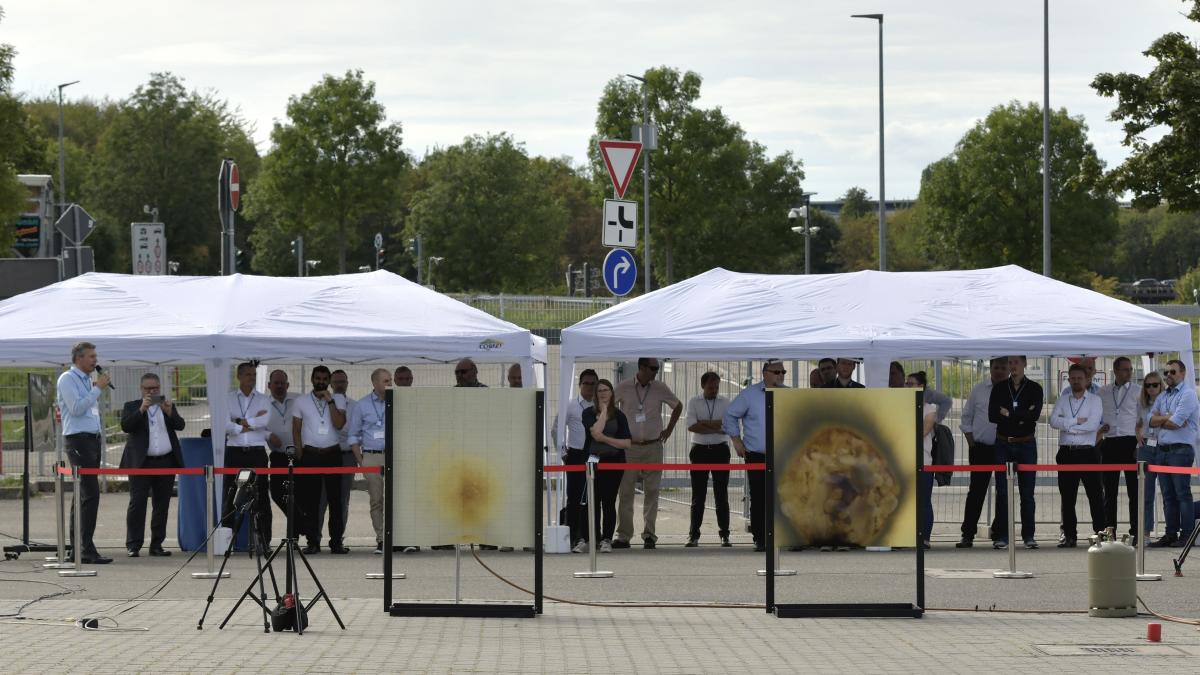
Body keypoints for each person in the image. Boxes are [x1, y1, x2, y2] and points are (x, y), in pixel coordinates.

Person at [613, 357, 683, 549]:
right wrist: (616, 431)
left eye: (657, 368)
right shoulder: (624, 386)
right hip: (630, 447)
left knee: (652, 491)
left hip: (653, 446)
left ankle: (649, 534)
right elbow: (608, 406)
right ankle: (624, 536)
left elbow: (678, 405)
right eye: (653, 368)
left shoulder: (660, 387)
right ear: (642, 368)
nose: (656, 371)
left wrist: (669, 429)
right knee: (626, 491)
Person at [56, 341, 113, 564]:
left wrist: (94, 387)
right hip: (78, 440)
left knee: (82, 495)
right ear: (78, 358)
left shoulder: (87, 380)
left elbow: (89, 409)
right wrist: (97, 388)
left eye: (95, 356)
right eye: (91, 356)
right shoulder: (67, 379)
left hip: (91, 440)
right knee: (90, 494)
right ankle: (86, 549)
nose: (95, 360)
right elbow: (76, 408)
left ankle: (77, 548)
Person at [724, 360, 788, 552]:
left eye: (783, 372)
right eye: (776, 372)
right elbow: (730, 415)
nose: (781, 375)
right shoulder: (750, 394)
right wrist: (736, 440)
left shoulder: (788, 394)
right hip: (757, 455)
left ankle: (783, 536)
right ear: (765, 373)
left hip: (783, 454)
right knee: (759, 497)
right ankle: (761, 538)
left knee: (784, 496)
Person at [118, 373, 185, 557]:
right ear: (141, 389)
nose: (152, 391)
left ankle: (157, 544)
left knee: (161, 505)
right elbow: (126, 426)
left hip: (165, 461)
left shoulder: (167, 405)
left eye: (155, 388)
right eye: (148, 388)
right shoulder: (131, 406)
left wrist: (169, 412)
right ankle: (133, 544)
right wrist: (141, 409)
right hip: (141, 463)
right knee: (137, 503)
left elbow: (180, 425)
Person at [988, 355, 1043, 550]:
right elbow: (993, 415)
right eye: (1010, 363)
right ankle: (1002, 535)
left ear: (1024, 364)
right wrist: (1020, 416)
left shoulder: (1035, 389)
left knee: (1027, 493)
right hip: (1003, 443)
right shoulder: (1000, 388)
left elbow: (1034, 416)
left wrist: (1009, 414)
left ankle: (1029, 535)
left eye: (1016, 363)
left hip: (1026, 444)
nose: (1013, 366)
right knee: (1002, 491)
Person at [292, 365, 348, 554]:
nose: (321, 382)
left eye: (325, 379)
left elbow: (339, 424)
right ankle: (313, 541)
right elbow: (296, 430)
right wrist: (300, 455)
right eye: (318, 378)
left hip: (332, 453)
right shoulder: (301, 401)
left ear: (330, 381)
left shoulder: (338, 398)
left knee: (336, 500)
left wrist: (330, 401)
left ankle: (336, 542)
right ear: (312, 379)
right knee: (311, 501)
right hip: (311, 455)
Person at [1049, 363, 1105, 547]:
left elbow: (1092, 425)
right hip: (1067, 452)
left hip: (1088, 452)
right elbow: (1053, 421)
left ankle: (1100, 534)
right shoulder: (1063, 399)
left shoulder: (1095, 400)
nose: (1075, 381)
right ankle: (1069, 535)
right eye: (1072, 378)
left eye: (1079, 378)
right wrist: (1074, 422)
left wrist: (1069, 427)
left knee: (1095, 495)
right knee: (1067, 497)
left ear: (1087, 379)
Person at [956, 357, 1008, 548]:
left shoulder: (1011, 390)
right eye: (996, 367)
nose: (1000, 371)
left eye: (1004, 367)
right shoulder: (979, 390)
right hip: (981, 447)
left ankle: (999, 534)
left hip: (1004, 447)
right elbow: (966, 416)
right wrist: (971, 442)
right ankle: (967, 534)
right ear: (991, 368)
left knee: (1003, 492)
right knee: (976, 492)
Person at [1147, 359, 1198, 548]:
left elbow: (1176, 422)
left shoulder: (1188, 395)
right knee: (1167, 495)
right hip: (1162, 451)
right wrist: (1167, 417)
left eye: (1173, 372)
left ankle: (1186, 534)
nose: (1168, 375)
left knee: (1182, 494)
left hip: (1180, 451)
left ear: (1182, 374)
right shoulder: (1162, 396)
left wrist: (1164, 419)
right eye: (1166, 372)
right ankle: (1170, 533)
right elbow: (1149, 420)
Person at [223, 362, 273, 549]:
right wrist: (249, 423)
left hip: (256, 453)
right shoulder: (227, 399)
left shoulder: (262, 399)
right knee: (230, 497)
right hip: (235, 452)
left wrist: (239, 422)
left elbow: (265, 420)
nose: (251, 378)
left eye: (254, 374)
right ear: (239, 376)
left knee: (261, 498)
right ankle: (227, 543)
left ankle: (264, 541)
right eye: (248, 375)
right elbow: (223, 423)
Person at [581, 378, 631, 553]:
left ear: (612, 393)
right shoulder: (588, 413)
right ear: (595, 394)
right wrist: (602, 412)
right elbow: (595, 432)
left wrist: (606, 439)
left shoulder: (619, 416)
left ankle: (607, 539)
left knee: (608, 501)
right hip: (593, 461)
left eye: (606, 390)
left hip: (614, 462)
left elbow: (626, 443)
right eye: (599, 391)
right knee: (592, 501)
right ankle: (592, 538)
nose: (603, 393)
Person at [551, 370, 597, 553]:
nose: (590, 387)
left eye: (593, 383)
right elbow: (556, 429)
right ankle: (573, 537)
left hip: (595, 455)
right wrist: (563, 453)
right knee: (575, 498)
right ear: (580, 385)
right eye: (586, 383)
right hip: (576, 455)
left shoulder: (601, 406)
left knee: (593, 498)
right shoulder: (570, 405)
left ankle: (593, 535)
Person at [685, 371, 732, 548]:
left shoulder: (725, 402)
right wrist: (715, 425)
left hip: (720, 449)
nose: (714, 390)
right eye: (711, 387)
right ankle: (693, 535)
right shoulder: (693, 401)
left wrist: (704, 423)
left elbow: (727, 426)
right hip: (700, 450)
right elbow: (691, 425)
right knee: (698, 495)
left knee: (722, 495)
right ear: (703, 386)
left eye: (717, 387)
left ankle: (725, 535)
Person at [347, 368, 391, 554]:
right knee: (376, 499)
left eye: (390, 380)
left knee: (395, 499)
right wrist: (361, 461)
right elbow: (353, 436)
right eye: (386, 381)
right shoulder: (362, 405)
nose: (390, 384)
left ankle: (397, 538)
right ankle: (381, 539)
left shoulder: (397, 401)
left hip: (393, 455)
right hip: (371, 456)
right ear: (374, 383)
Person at [1097, 357, 1139, 539]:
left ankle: (1136, 531)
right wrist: (1100, 430)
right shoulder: (1103, 392)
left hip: (1131, 442)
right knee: (1110, 491)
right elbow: (1097, 414)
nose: (1129, 372)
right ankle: (1110, 530)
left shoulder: (1138, 391)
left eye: (1130, 369)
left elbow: (1143, 416)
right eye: (1124, 369)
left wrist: (1140, 439)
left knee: (1134, 490)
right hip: (1111, 442)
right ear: (1115, 371)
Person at [316, 369, 355, 547]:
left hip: (347, 456)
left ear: (347, 383)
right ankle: (315, 538)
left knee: (342, 499)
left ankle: (337, 539)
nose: (340, 385)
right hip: (326, 454)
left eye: (343, 382)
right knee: (321, 497)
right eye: (336, 382)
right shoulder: (323, 404)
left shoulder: (354, 406)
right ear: (331, 384)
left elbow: (350, 430)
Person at [906, 377, 939, 549]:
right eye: (906, 383)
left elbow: (923, 431)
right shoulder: (903, 406)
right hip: (904, 460)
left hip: (923, 460)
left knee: (924, 500)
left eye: (911, 383)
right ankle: (907, 535)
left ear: (921, 386)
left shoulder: (930, 409)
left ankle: (925, 536)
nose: (907, 386)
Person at [264, 369, 299, 518]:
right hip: (278, 457)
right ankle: (299, 525)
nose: (279, 386)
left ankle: (295, 533)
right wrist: (268, 435)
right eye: (276, 383)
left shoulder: (299, 400)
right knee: (277, 494)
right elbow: (253, 427)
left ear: (288, 385)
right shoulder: (261, 405)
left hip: (299, 456)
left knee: (300, 495)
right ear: (268, 385)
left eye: (282, 383)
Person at [1135, 371, 1164, 541]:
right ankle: (1145, 532)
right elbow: (1139, 422)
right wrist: (1137, 431)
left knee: (1168, 490)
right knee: (1145, 491)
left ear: (1161, 385)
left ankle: (1170, 531)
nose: (1151, 388)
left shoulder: (1167, 401)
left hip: (1163, 445)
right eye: (1148, 385)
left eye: (1155, 385)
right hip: (1146, 446)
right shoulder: (1142, 403)